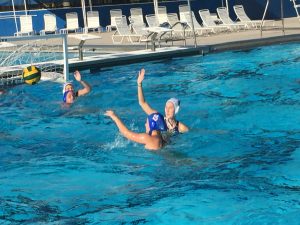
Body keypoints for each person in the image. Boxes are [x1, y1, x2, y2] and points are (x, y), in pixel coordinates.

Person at [137, 68, 189, 134]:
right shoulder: (158, 118)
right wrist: (139, 84)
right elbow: (142, 103)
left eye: (170, 108)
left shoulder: (181, 128)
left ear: (176, 110)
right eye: (166, 107)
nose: (167, 110)